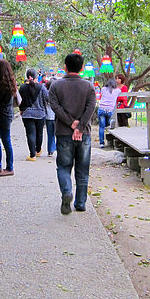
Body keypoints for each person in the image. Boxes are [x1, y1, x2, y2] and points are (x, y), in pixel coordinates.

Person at [49, 53, 97, 214]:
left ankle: (67, 191)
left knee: (63, 166)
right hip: (84, 134)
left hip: (63, 132)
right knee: (83, 169)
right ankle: (81, 203)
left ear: (65, 67)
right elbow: (91, 108)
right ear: (82, 68)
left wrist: (70, 123)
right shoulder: (89, 87)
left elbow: (54, 106)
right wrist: (80, 126)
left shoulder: (55, 86)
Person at [19, 69, 49, 161]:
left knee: (30, 134)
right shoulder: (41, 87)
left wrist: (21, 109)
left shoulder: (22, 88)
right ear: (36, 77)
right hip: (40, 114)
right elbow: (47, 98)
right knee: (39, 133)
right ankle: (38, 150)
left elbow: (19, 101)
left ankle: (32, 155)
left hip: (27, 114)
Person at [97, 78, 121, 148]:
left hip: (102, 109)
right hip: (110, 110)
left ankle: (101, 143)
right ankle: (110, 122)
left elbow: (101, 94)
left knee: (101, 127)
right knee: (107, 124)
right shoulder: (117, 91)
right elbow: (120, 91)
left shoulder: (103, 89)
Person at [44, 79, 56, 156]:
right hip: (57, 117)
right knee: (58, 134)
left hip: (48, 117)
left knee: (50, 134)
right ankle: (57, 147)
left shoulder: (45, 94)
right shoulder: (57, 94)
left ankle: (50, 150)